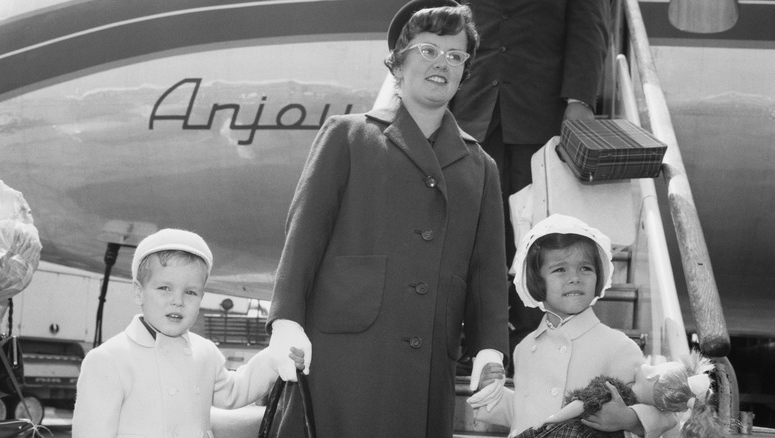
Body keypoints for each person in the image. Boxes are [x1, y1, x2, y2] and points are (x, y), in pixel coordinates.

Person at [264, 1, 509, 437]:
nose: (442, 64)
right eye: (428, 50)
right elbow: (304, 236)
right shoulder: (348, 136)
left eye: (456, 56)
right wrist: (285, 320)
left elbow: (487, 270)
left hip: (428, 360)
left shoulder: (481, 166)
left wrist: (490, 348)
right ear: (398, 61)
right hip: (343, 358)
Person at [449, 0, 613, 365]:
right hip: (473, 114)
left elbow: (588, 31)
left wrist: (580, 99)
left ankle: (532, 340)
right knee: (473, 235)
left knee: (538, 234)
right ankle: (476, 339)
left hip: (538, 115)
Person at [72, 228, 304, 438]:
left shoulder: (205, 352)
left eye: (191, 292)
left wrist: (274, 358)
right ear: (138, 292)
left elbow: (234, 391)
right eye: (164, 288)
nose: (178, 301)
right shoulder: (109, 359)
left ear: (201, 297)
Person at [467, 214, 676, 437]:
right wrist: (490, 390)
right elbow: (525, 413)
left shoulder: (617, 346)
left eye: (585, 268)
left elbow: (664, 412)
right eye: (560, 269)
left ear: (599, 276)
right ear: (537, 281)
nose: (575, 278)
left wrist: (628, 418)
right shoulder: (524, 347)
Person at [519, 350, 725, 438]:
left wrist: (551, 420)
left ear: (653, 376)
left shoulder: (614, 384)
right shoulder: (662, 415)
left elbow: (583, 403)